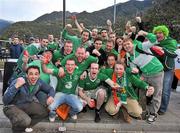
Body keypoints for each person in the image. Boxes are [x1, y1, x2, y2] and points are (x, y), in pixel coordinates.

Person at [123, 30, 164, 123]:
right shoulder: (128, 55)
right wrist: (135, 72)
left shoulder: (140, 46)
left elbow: (154, 40)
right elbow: (131, 68)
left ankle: (153, 114)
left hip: (157, 71)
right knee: (141, 92)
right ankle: (143, 111)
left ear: (132, 43)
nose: (127, 46)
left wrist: (145, 33)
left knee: (156, 94)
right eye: (125, 46)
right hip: (145, 74)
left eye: (128, 44)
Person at [3, 65, 55, 133]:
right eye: (31, 74)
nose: (33, 76)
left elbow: (50, 89)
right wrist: (16, 86)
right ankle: (16, 129)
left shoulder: (39, 82)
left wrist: (51, 96)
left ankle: (25, 126)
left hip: (26, 104)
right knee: (25, 120)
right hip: (11, 106)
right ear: (26, 75)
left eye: (36, 74)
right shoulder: (18, 81)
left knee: (44, 112)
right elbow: (5, 101)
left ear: (39, 75)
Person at [152, 25, 177, 115]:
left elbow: (173, 54)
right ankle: (155, 104)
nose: (158, 35)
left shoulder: (171, 42)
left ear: (164, 33)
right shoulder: (154, 42)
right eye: (156, 33)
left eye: (160, 33)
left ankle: (162, 109)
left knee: (165, 89)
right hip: (157, 69)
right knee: (156, 88)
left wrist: (163, 49)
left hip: (168, 69)